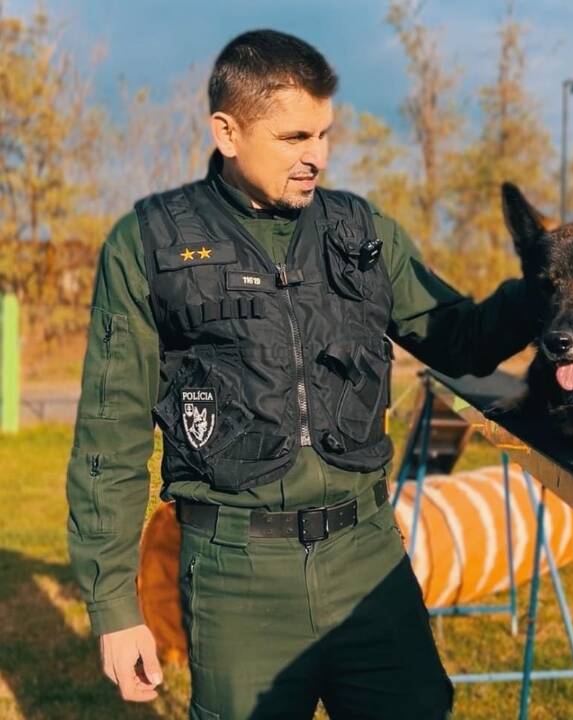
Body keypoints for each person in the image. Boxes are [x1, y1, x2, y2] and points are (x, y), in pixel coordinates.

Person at [66, 29, 536, 719]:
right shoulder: (150, 245)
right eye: (294, 138)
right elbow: (110, 440)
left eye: (325, 134)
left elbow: (459, 339)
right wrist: (113, 604)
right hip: (236, 574)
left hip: (367, 557)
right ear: (227, 131)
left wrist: (551, 285)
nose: (316, 156)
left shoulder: (362, 233)